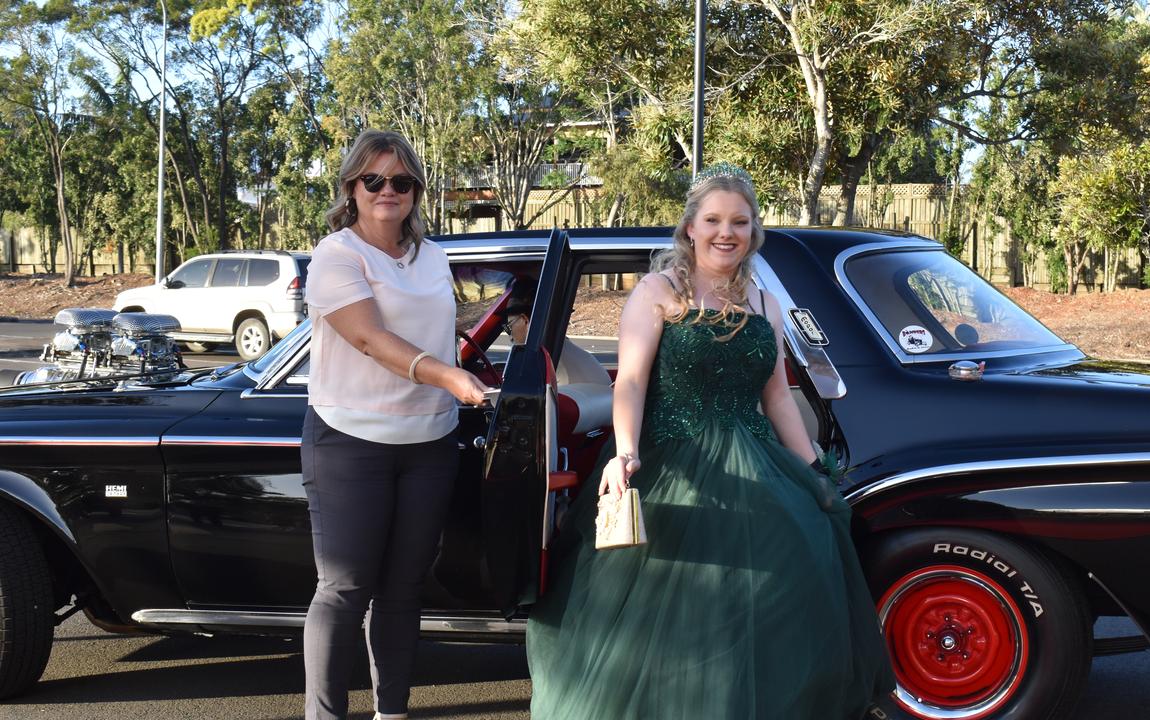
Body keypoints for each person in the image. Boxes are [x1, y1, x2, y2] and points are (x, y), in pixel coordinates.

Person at [525, 162, 894, 720]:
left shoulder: (764, 303)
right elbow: (630, 381)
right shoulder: (659, 291)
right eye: (715, 220)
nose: (727, 233)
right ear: (690, 228)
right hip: (673, 461)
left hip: (758, 465)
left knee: (772, 596)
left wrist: (812, 465)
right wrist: (625, 453)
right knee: (670, 620)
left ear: (753, 232)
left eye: (740, 222)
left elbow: (774, 397)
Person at [301, 129, 488, 720]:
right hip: (350, 440)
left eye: (402, 182)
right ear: (351, 187)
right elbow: (369, 338)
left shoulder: (432, 256)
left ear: (416, 191)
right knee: (344, 590)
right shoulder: (337, 256)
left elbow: (439, 326)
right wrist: (449, 379)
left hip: (430, 441)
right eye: (374, 180)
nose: (388, 191)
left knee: (403, 591)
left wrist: (503, 315)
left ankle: (392, 712)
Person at [500, 276, 612, 386]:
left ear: (525, 320)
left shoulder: (541, 364)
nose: (510, 336)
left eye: (508, 326)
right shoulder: (575, 355)